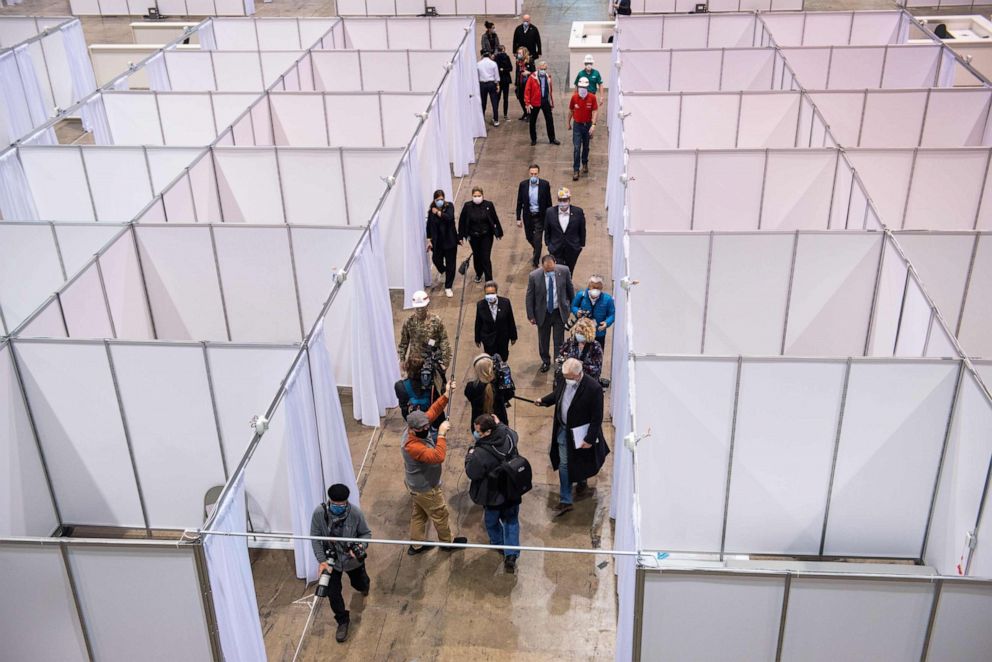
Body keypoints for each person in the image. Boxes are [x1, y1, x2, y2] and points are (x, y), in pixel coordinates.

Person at [534, 358, 610, 517]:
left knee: (579, 460)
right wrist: (544, 401)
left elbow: (597, 418)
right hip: (563, 430)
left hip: (580, 434)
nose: (565, 379)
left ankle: (581, 480)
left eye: (569, 377)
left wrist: (589, 439)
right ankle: (566, 500)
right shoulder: (563, 377)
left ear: (578, 374)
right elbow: (558, 394)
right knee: (564, 464)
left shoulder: (593, 388)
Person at [403, 381, 468, 554]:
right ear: (413, 429)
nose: (427, 428)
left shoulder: (417, 425)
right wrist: (441, 434)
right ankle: (448, 543)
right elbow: (438, 457)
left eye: (427, 426)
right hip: (426, 488)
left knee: (419, 514)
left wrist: (446, 395)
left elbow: (433, 411)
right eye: (423, 428)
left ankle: (416, 545)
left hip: (416, 487)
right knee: (440, 514)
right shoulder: (412, 446)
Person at [310, 483, 371, 643]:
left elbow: (366, 533)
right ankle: (342, 620)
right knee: (333, 592)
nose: (338, 507)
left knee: (359, 583)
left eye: (342, 505)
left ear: (346, 502)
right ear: (329, 500)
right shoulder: (319, 514)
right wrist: (322, 561)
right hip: (331, 562)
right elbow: (315, 537)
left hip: (352, 561)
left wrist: (360, 546)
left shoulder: (355, 514)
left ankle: (365, 585)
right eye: (335, 504)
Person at [465, 413, 522, 573]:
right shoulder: (509, 436)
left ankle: (499, 544)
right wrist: (500, 423)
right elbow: (510, 432)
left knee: (491, 521)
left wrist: (469, 456)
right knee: (512, 520)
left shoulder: (480, 453)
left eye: (479, 432)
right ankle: (511, 554)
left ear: (488, 432)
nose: (477, 434)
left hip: (492, 495)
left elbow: (472, 473)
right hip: (512, 489)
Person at [526, 254, 574, 373]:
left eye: (552, 269)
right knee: (543, 340)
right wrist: (531, 315)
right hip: (543, 314)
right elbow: (529, 296)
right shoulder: (534, 276)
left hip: (559, 312)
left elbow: (570, 290)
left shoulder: (564, 271)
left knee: (559, 340)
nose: (550, 271)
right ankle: (545, 361)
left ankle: (558, 363)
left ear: (555, 263)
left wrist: (572, 307)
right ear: (542, 266)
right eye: (547, 270)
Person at [397, 290, 451, 395]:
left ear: (427, 306)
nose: (420, 310)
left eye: (422, 307)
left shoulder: (436, 321)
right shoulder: (408, 322)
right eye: (417, 308)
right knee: (414, 390)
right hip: (414, 363)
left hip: (432, 362)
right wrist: (402, 359)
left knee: (435, 391)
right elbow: (404, 342)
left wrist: (445, 361)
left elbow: (444, 340)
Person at [458, 186, 503, 283]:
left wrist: (499, 232)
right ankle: (479, 273)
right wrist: (460, 236)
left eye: (479, 195)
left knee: (486, 257)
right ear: (472, 196)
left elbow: (494, 218)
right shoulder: (467, 206)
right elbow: (462, 222)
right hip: (473, 237)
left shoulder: (489, 205)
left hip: (486, 236)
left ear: (483, 195)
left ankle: (489, 280)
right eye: (475, 196)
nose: (477, 197)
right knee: (477, 257)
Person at [515, 163, 553, 268]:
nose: (533, 176)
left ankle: (535, 261)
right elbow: (519, 202)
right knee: (529, 237)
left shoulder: (545, 185)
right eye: (531, 174)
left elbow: (549, 202)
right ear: (529, 173)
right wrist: (518, 218)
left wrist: (550, 218)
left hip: (540, 217)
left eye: (535, 174)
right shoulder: (523, 185)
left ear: (538, 173)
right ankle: (536, 249)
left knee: (538, 239)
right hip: (528, 216)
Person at [543, 187, 586, 276]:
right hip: (556, 248)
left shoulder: (578, 212)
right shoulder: (550, 212)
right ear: (558, 200)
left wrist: (580, 245)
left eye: (565, 200)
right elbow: (547, 229)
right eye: (561, 200)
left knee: (569, 271)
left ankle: (567, 286)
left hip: (572, 248)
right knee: (558, 271)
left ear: (569, 199)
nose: (563, 202)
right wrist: (549, 244)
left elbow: (582, 229)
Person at [464, 354, 512, 430]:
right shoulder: (500, 383)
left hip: (480, 426)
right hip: (500, 423)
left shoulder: (471, 386)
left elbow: (469, 397)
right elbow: (509, 395)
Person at [426, 189, 459, 297]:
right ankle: (443, 271)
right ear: (434, 200)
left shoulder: (449, 206)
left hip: (450, 241)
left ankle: (448, 286)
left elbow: (449, 218)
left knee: (451, 264)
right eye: (437, 199)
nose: (440, 201)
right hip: (438, 242)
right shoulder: (431, 211)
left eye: (441, 199)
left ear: (444, 199)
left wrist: (439, 213)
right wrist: (429, 240)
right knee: (436, 259)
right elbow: (429, 226)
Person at [571, 274, 615, 355]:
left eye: (598, 288)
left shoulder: (608, 299)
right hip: (582, 332)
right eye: (593, 287)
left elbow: (612, 314)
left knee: (597, 356)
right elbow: (574, 306)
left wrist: (606, 323)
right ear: (589, 286)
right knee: (580, 355)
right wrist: (576, 312)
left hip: (599, 333)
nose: (595, 289)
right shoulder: (581, 295)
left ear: (602, 288)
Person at [474, 280, 517, 360]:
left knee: (503, 358)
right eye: (488, 294)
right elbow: (478, 322)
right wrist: (477, 339)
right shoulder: (480, 305)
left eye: (492, 293)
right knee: (490, 360)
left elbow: (510, 320)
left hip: (502, 337)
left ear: (496, 292)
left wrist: (513, 336)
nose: (490, 296)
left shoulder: (505, 303)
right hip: (488, 338)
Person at [567, 77, 598, 181]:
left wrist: (593, 124)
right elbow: (571, 111)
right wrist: (568, 123)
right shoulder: (574, 98)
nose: (582, 89)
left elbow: (594, 111)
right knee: (576, 148)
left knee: (586, 146)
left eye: (584, 87)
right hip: (577, 126)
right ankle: (576, 170)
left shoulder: (592, 98)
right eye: (580, 87)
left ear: (588, 87)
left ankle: (584, 162)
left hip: (587, 125)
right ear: (578, 87)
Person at [524, 61, 559, 146]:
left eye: (545, 69)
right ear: (538, 68)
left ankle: (552, 138)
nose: (543, 70)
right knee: (532, 121)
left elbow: (550, 91)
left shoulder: (547, 77)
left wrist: (551, 103)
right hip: (535, 102)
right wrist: (527, 103)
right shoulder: (532, 78)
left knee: (549, 120)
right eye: (542, 68)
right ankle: (533, 139)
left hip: (545, 101)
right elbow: (527, 90)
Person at [477, 49, 500, 127]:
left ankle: (481, 119)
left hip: (482, 84)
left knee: (483, 102)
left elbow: (477, 76)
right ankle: (496, 120)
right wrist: (497, 85)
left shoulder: (478, 64)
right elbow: (496, 76)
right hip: (491, 83)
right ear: (489, 55)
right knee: (494, 102)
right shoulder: (493, 63)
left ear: (482, 55)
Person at [514, 47, 536, 120]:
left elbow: (534, 73)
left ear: (524, 53)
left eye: (520, 53)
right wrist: (516, 84)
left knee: (527, 99)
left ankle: (530, 114)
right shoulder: (518, 62)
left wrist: (528, 73)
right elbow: (517, 73)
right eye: (518, 53)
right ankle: (525, 112)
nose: (518, 54)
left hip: (527, 83)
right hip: (520, 83)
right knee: (520, 98)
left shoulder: (530, 60)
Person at [494, 45, 513, 121]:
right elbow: (510, 68)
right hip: (506, 80)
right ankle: (505, 115)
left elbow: (495, 69)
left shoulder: (496, 58)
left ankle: (495, 115)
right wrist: (504, 70)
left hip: (499, 80)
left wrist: (501, 70)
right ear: (503, 50)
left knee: (497, 98)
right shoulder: (507, 57)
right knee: (505, 98)